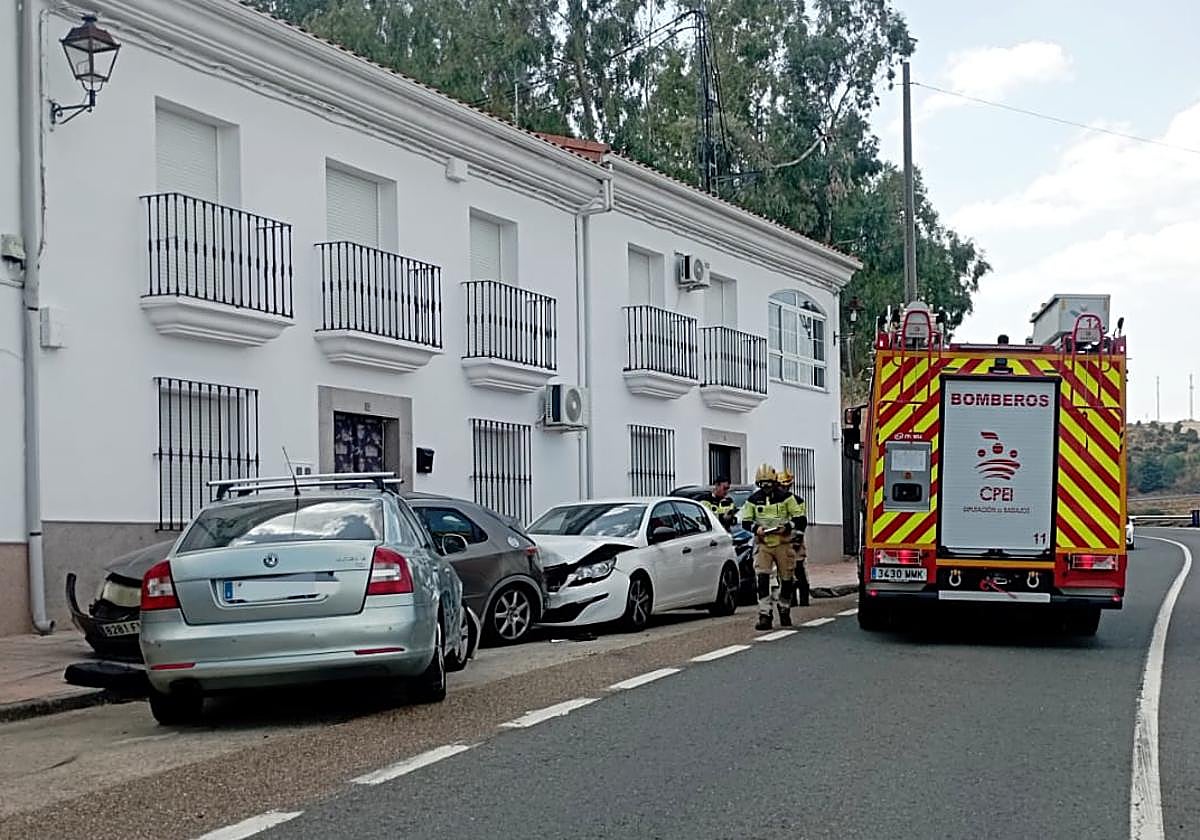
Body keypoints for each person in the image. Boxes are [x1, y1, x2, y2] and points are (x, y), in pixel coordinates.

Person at [740, 463, 806, 630]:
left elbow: (800, 519)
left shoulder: (786, 498)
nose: (766, 487)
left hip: (783, 544)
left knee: (787, 579)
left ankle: (784, 607)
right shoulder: (753, 500)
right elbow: (746, 521)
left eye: (769, 483)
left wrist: (788, 526)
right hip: (764, 544)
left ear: (775, 482)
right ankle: (765, 614)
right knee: (762, 579)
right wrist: (757, 529)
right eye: (763, 484)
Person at [776, 469, 811, 607]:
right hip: (781, 540)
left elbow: (801, 520)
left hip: (795, 539)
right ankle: (791, 599)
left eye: (785, 486)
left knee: (799, 568)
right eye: (781, 486)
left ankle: (804, 599)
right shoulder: (775, 501)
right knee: (785, 570)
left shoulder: (798, 501)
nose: (783, 489)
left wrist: (798, 538)